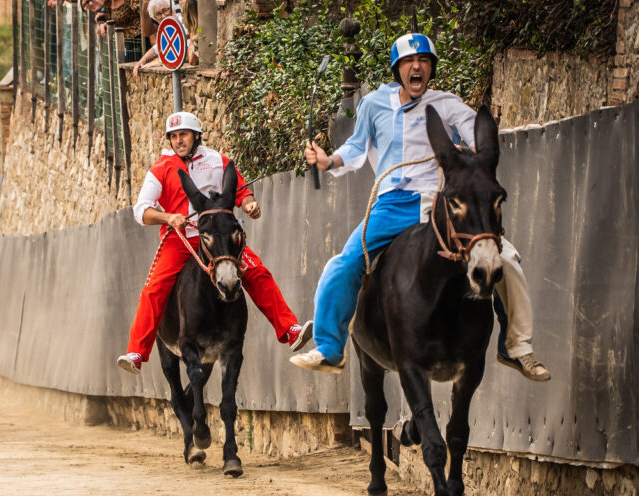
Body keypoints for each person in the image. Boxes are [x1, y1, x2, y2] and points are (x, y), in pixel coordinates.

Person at [292, 33, 550, 382]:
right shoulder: (373, 104)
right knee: (344, 263)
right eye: (409, 62)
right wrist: (329, 160)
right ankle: (330, 347)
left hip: (438, 206)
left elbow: (477, 134)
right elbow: (355, 147)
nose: (417, 67)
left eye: (424, 61)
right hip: (389, 205)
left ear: (430, 68)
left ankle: (516, 348)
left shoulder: (447, 104)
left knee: (507, 260)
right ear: (397, 69)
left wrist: (474, 153)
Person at [116, 111, 311, 374]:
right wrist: (168, 217)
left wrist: (250, 204)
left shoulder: (218, 160)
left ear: (197, 136)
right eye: (173, 136)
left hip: (218, 237)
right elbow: (141, 211)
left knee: (257, 272)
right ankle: (136, 352)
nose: (178, 141)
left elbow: (241, 191)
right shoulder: (159, 169)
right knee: (155, 287)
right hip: (180, 239)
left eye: (183, 135)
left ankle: (290, 330)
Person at [133, 0, 172, 76]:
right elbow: (158, 47)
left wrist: (161, 61)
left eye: (165, 11)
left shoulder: (181, 18)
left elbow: (196, 32)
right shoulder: (164, 28)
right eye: (158, 14)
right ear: (154, 18)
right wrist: (141, 61)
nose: (163, 16)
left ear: (171, 8)